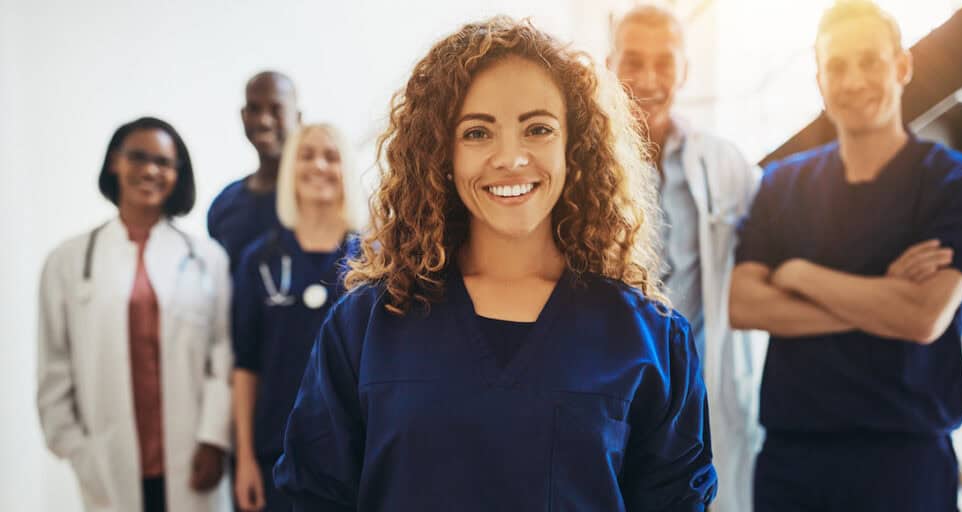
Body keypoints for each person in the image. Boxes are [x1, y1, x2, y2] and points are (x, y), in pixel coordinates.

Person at [273, 17, 717, 511]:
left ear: (574, 148)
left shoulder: (651, 342)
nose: (511, 157)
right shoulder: (365, 330)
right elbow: (312, 496)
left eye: (538, 129)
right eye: (478, 132)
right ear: (441, 152)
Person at [728, 2, 962, 510]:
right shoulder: (784, 184)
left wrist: (799, 273)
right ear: (820, 79)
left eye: (869, 62)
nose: (852, 81)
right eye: (836, 66)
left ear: (902, 67)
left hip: (905, 463)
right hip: (793, 464)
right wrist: (880, 300)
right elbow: (744, 305)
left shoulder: (954, 179)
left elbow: (921, 316)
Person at [607, 6, 767, 511]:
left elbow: (772, 254)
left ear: (685, 70)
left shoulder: (725, 165)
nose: (649, 79)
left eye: (665, 63)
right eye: (633, 61)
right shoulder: (577, 163)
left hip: (704, 396)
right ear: (609, 63)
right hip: (614, 388)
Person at [37, 117, 233, 512]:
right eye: (138, 157)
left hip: (193, 459)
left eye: (163, 162)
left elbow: (222, 354)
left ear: (178, 174)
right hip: (107, 462)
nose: (150, 170)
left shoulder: (206, 258)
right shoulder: (68, 261)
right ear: (115, 163)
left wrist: (213, 438)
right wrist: (77, 451)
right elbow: (54, 367)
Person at [231, 123, 361, 512]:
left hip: (352, 456)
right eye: (306, 155)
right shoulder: (260, 259)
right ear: (290, 169)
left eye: (331, 156)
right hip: (273, 454)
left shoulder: (373, 261)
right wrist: (245, 459)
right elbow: (245, 366)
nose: (318, 166)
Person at [208, 71, 302, 270]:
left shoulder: (322, 199)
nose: (263, 121)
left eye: (276, 109)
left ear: (298, 118)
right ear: (243, 116)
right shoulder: (224, 205)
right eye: (254, 109)